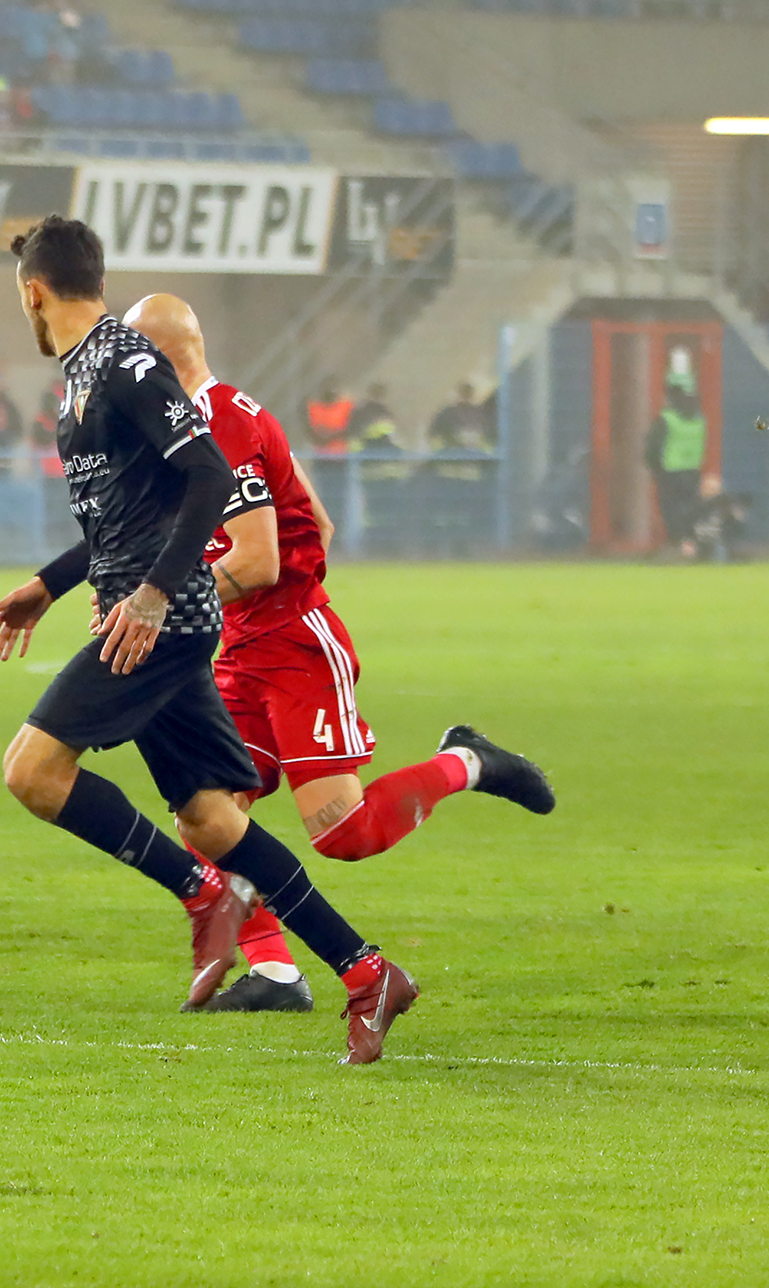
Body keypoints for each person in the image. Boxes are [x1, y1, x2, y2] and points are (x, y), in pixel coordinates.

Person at [0, 217, 415, 1064]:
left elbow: (211, 473)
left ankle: (202, 895)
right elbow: (127, 516)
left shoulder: (125, 363)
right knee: (213, 818)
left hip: (159, 622)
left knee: (32, 771)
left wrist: (152, 594)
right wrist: (49, 583)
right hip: (147, 613)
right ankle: (368, 972)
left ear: (32, 291)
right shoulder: (85, 371)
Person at [124, 293, 555, 1012]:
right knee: (205, 811)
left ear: (159, 361)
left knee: (343, 833)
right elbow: (315, 521)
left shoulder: (222, 423)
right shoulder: (211, 418)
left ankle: (469, 761)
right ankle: (276, 974)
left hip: (295, 645)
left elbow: (259, 561)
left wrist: (163, 598)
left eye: (132, 362)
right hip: (242, 649)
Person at [645, 358, 705, 559]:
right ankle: (690, 546)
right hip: (693, 471)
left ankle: (678, 546)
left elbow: (652, 448)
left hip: (670, 472)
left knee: (671, 511)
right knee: (690, 511)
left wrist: (654, 468)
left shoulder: (667, 419)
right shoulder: (699, 419)